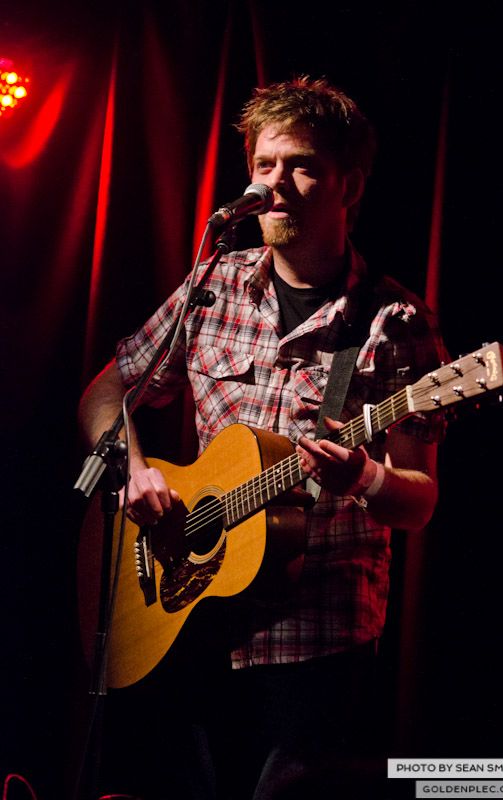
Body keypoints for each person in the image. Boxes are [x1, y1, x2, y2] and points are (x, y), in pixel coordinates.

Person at [78, 76, 448, 799]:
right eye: (265, 165)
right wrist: (133, 471)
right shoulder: (212, 285)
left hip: (319, 645)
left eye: (303, 164)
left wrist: (367, 480)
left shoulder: (394, 323)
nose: (277, 184)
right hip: (191, 622)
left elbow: (421, 497)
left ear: (350, 184)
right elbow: (105, 391)